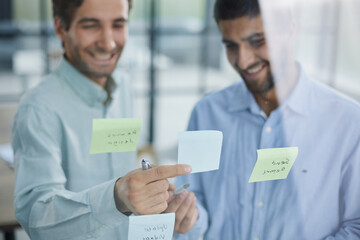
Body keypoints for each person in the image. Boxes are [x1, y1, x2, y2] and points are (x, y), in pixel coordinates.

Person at [174, 0, 360, 239]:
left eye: (257, 41)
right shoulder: (206, 114)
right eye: (231, 45)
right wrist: (187, 217)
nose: (243, 61)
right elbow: (195, 206)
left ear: (290, 30)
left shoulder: (349, 123)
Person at [12, 0, 195, 239]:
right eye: (91, 26)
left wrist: (156, 204)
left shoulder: (124, 86)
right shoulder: (37, 109)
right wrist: (116, 198)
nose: (108, 42)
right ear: (60, 28)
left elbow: (126, 183)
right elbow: (37, 217)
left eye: (118, 24)